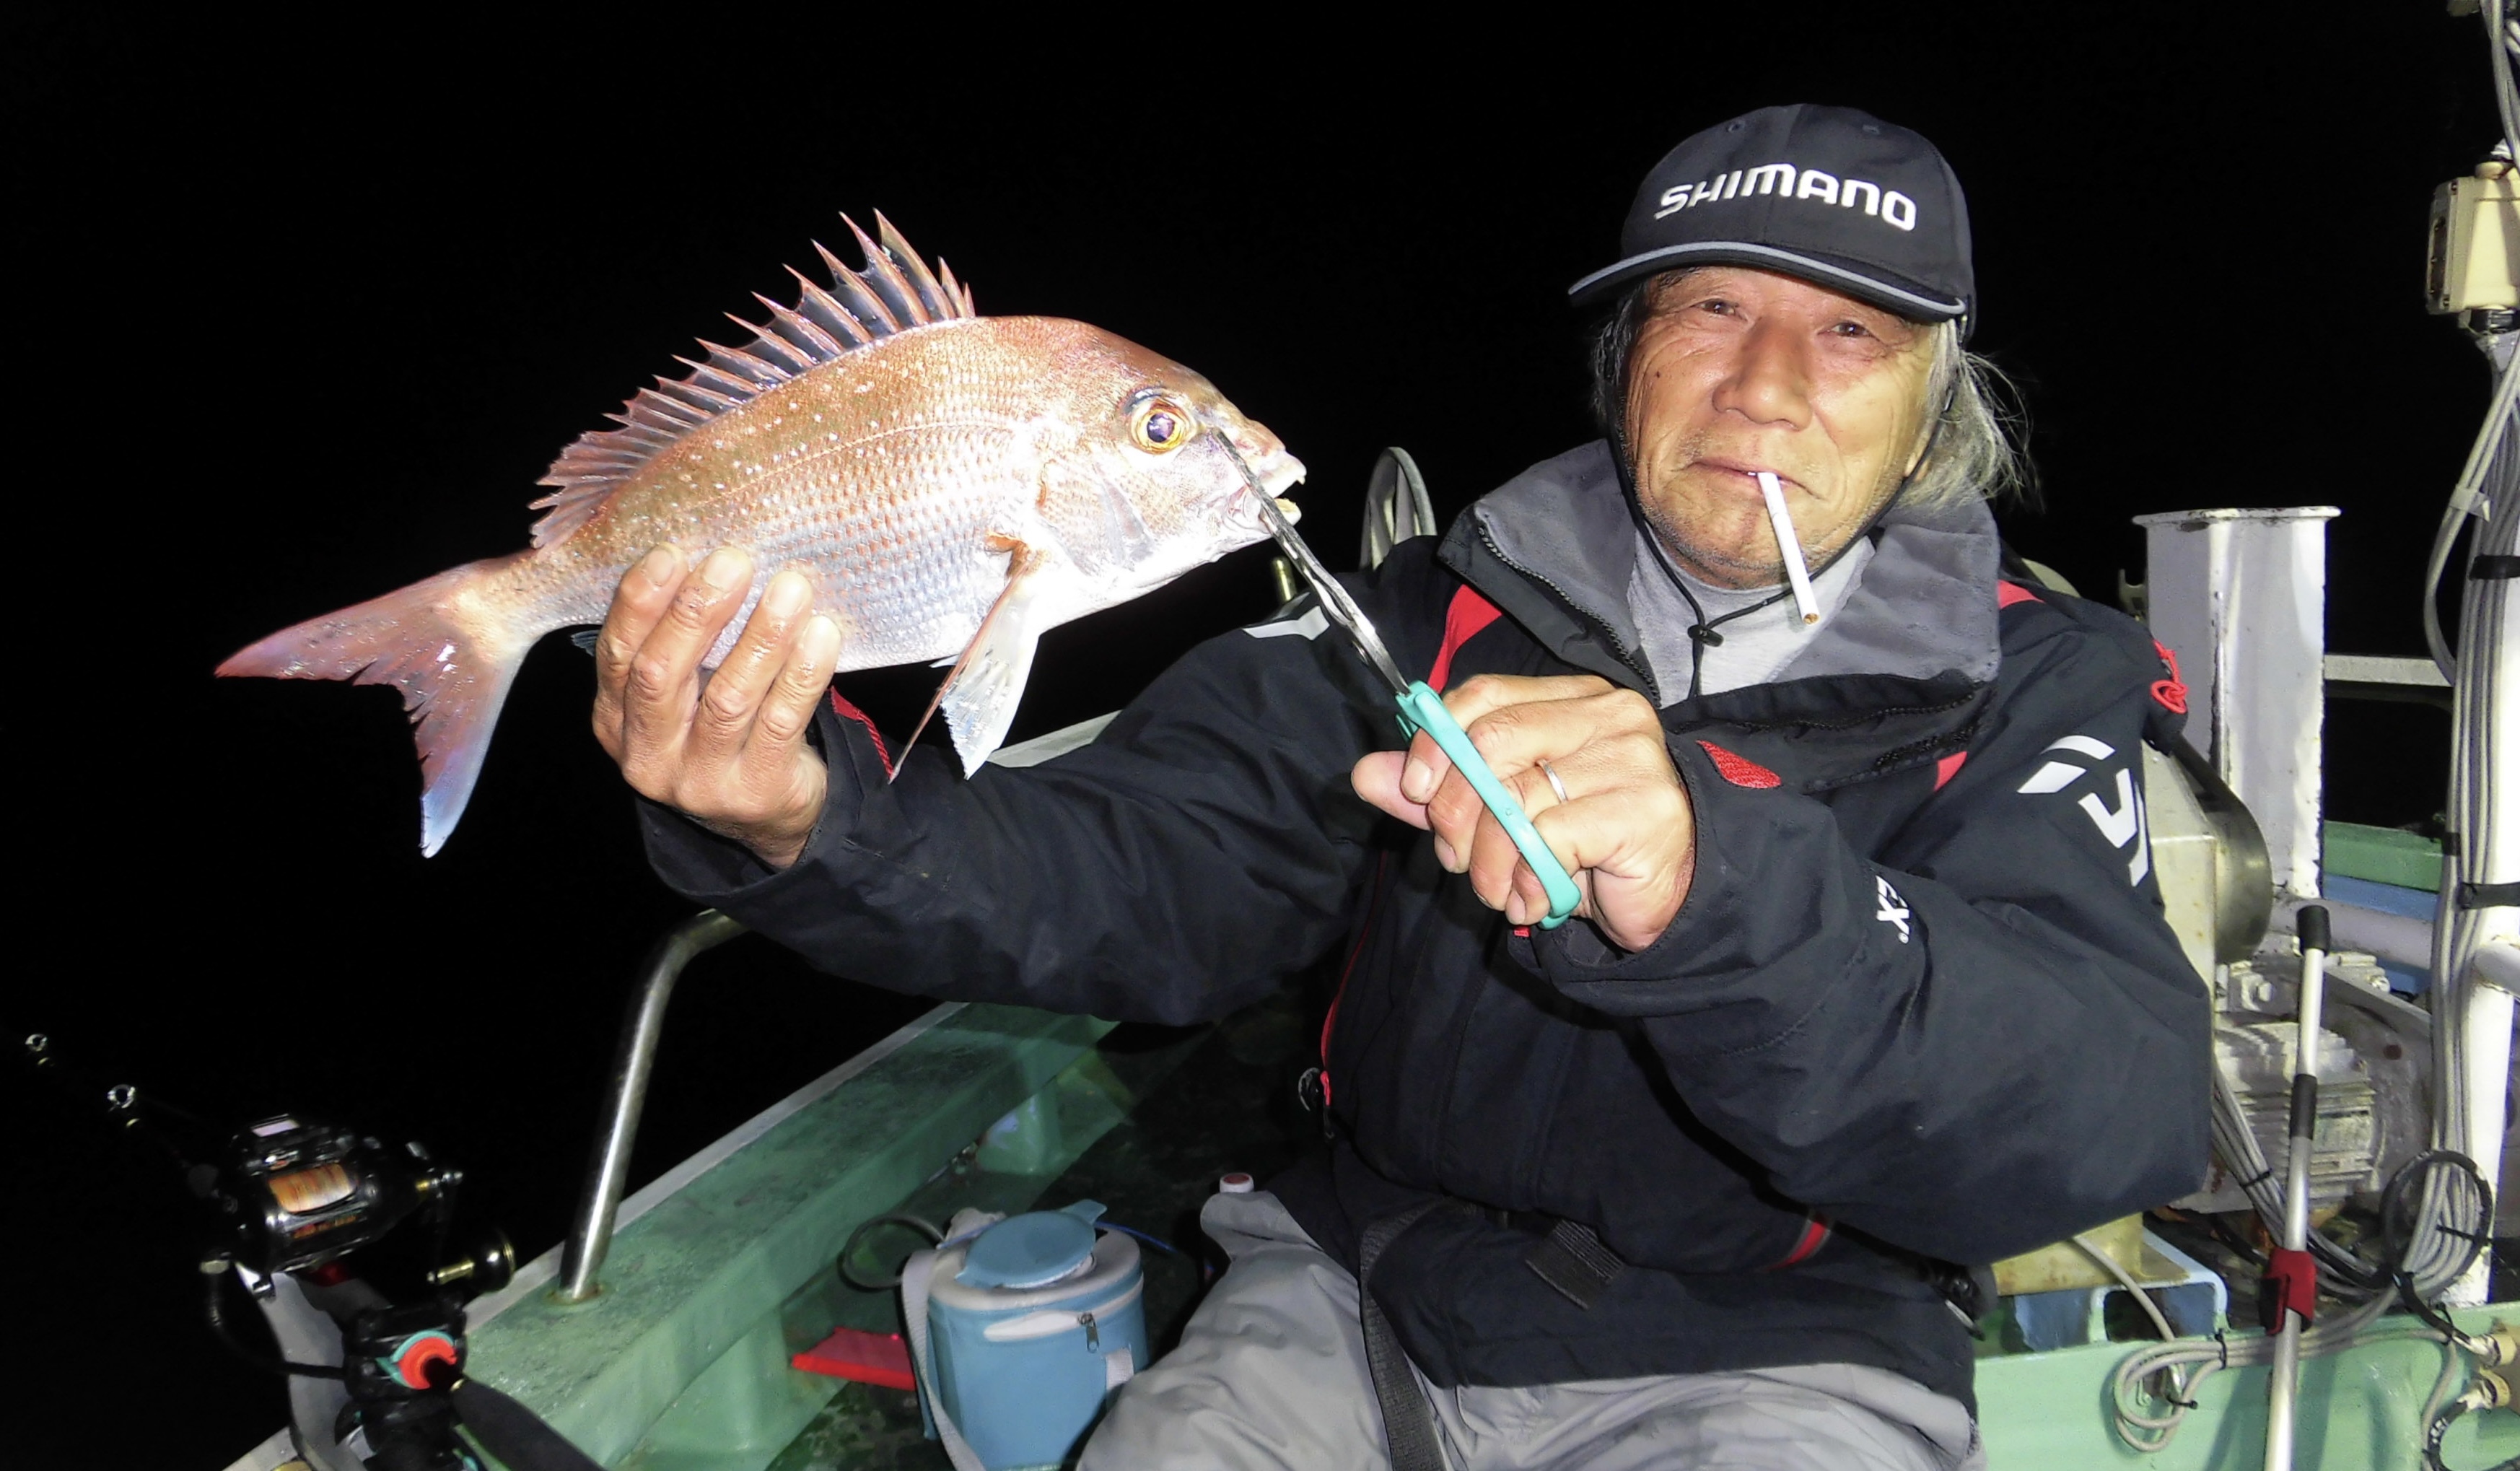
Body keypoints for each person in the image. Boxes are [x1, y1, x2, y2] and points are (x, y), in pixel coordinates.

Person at [590, 105, 2210, 1470]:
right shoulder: (1429, 613)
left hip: (1782, 1348)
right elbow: (1147, 863)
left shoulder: (2031, 678)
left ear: (1933, 398)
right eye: (1711, 307)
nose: (1767, 382)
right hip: (1353, 1285)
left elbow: (2103, 1102)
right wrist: (810, 818)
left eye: (1850, 330)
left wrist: (1714, 884)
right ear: (1630, 358)